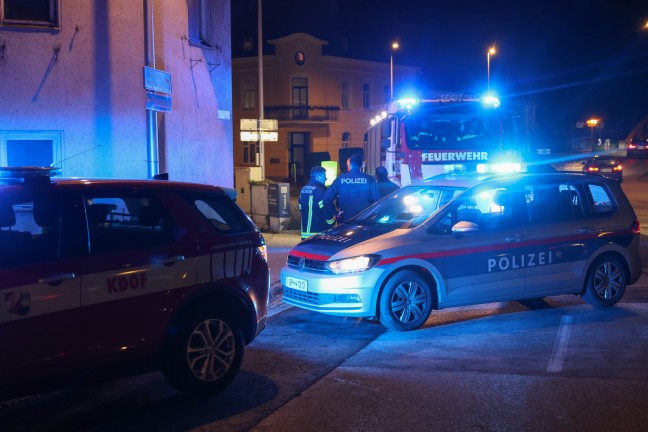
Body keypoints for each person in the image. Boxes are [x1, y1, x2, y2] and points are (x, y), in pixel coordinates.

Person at [324, 153, 381, 224]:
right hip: (364, 221)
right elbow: (378, 201)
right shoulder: (369, 179)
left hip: (345, 221)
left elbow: (326, 200)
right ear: (361, 165)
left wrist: (336, 213)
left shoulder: (339, 179)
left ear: (349, 164)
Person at [298, 166, 336, 240]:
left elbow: (301, 208)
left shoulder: (303, 189)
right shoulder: (321, 191)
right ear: (318, 176)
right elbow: (326, 210)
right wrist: (332, 222)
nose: (326, 178)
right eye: (324, 176)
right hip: (318, 234)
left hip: (305, 235)